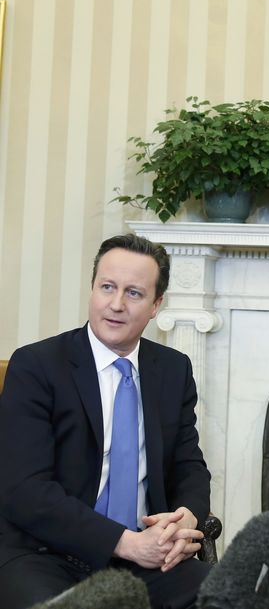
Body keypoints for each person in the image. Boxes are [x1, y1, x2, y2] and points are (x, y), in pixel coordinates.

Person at [0, 234, 212, 609]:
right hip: (47, 553)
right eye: (107, 287)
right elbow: (25, 490)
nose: (116, 305)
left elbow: (189, 465)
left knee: (221, 594)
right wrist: (127, 543)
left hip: (148, 557)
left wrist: (186, 517)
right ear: (93, 288)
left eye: (134, 293)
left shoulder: (173, 369)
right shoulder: (37, 366)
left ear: (155, 305)